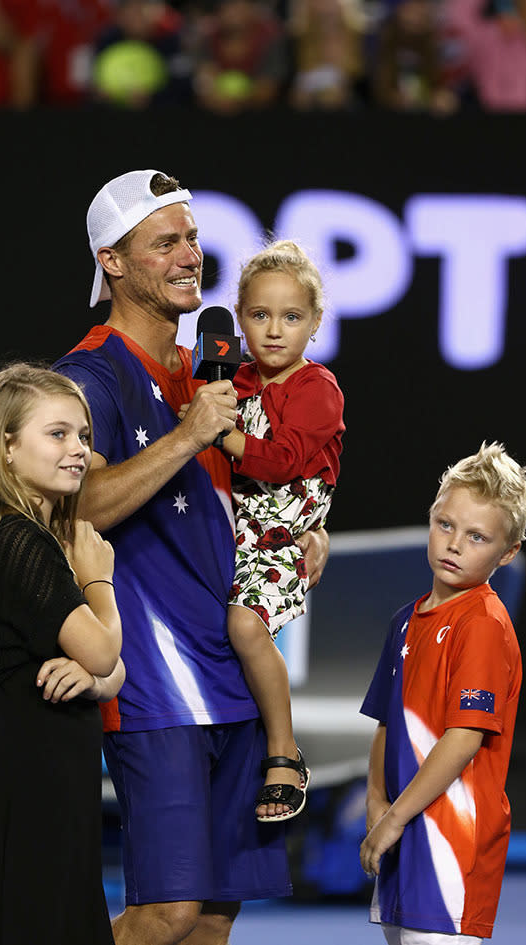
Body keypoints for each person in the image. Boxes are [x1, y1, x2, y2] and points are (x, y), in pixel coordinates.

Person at [53, 168, 329, 945]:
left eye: (194, 238)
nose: (189, 255)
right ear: (112, 260)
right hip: (152, 681)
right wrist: (187, 435)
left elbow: (245, 487)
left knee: (212, 916)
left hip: (233, 673)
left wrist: (303, 526)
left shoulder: (215, 372)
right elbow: (78, 507)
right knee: (167, 910)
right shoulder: (89, 373)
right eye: (164, 241)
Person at [0, 363, 124, 945]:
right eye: (58, 434)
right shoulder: (18, 538)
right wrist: (99, 582)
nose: (79, 451)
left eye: (83, 436)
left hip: (43, 775)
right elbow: (104, 647)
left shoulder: (28, 535)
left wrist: (92, 681)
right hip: (25, 777)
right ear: (7, 448)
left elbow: (112, 672)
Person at [359, 441, 526, 944]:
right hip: (402, 835)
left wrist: (393, 816)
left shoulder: (483, 624)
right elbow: (385, 725)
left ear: (508, 551)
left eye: (477, 536)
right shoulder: (403, 622)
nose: (454, 544)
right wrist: (375, 802)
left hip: (453, 848)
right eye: (445, 524)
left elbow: (463, 739)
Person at [197, 240, 344, 822]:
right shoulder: (234, 379)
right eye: (259, 315)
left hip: (281, 538)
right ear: (239, 320)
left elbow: (281, 462)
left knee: (245, 625)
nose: (275, 330)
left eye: (292, 316)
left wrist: (214, 433)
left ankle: (284, 752)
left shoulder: (318, 389)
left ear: (315, 322)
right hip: (233, 529)